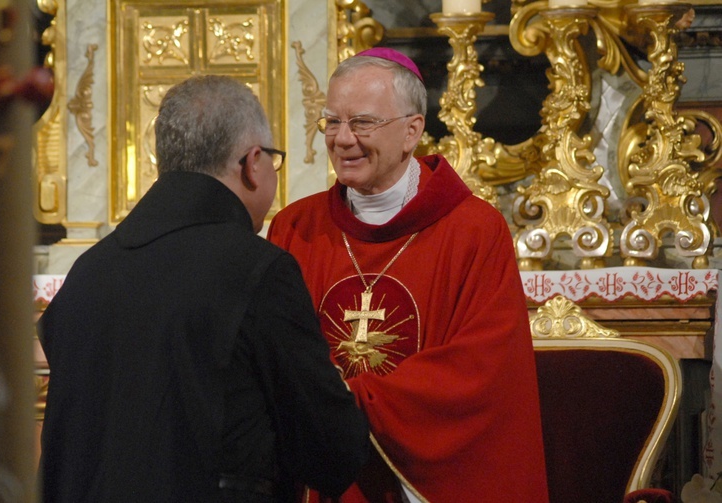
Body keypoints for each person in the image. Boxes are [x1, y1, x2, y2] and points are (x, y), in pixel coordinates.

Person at [37, 75, 370, 503]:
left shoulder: (88, 272)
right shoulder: (258, 270)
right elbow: (330, 451)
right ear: (252, 163)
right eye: (272, 159)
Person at [267, 48, 549, 502]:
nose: (342, 139)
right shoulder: (295, 228)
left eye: (362, 122)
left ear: (412, 131)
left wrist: (348, 399)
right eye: (331, 122)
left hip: (426, 482)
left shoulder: (473, 230)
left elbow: (482, 368)